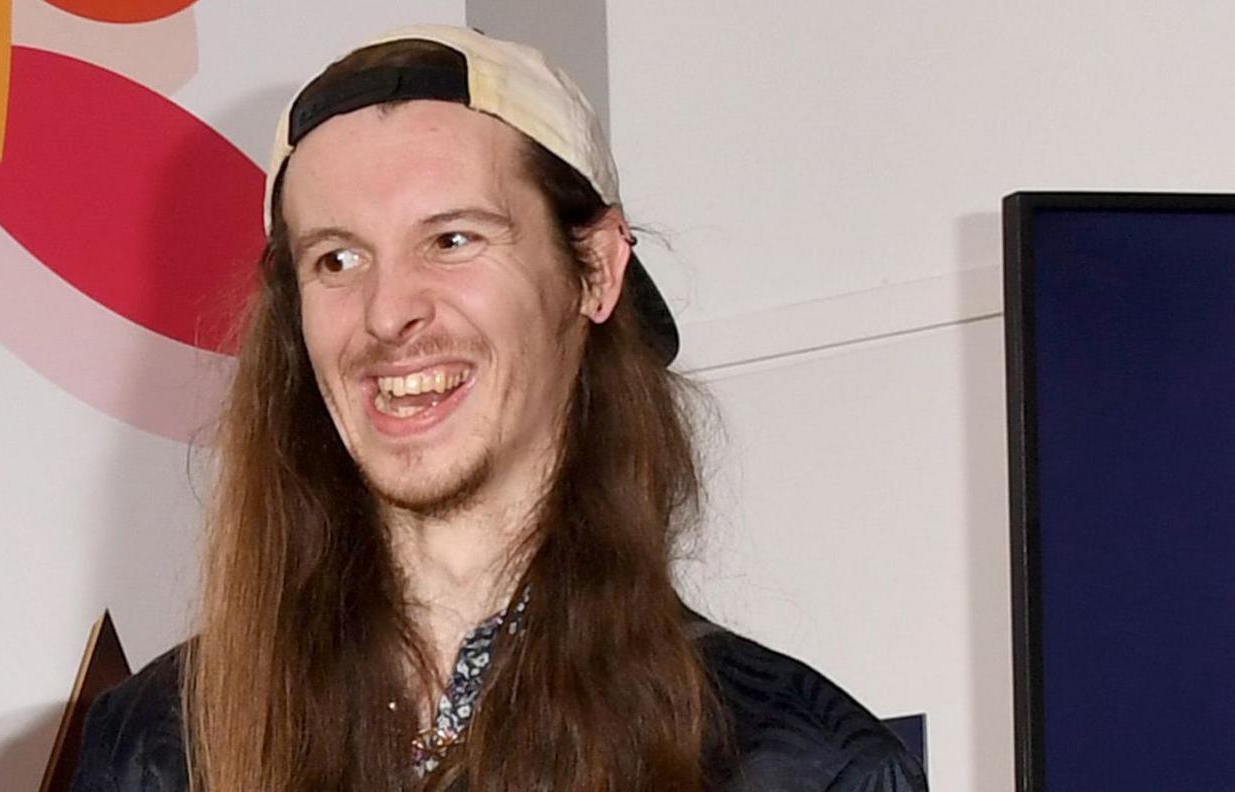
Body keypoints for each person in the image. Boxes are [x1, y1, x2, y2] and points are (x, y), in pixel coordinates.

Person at [71, 24, 928, 792]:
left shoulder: (799, 766)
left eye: (452, 240)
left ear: (593, 270)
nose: (388, 311)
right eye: (337, 259)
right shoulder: (160, 749)